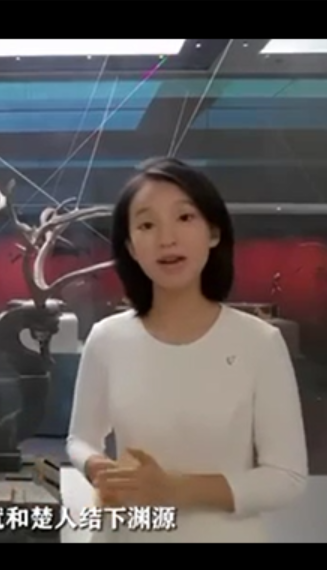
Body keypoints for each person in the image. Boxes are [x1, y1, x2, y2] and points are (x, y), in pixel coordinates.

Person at [66, 158, 308, 543]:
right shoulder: (107, 338)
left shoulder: (259, 342)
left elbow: (287, 477)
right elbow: (80, 439)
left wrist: (175, 489)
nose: (167, 238)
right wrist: (98, 469)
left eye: (184, 217)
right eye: (147, 225)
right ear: (130, 247)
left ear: (213, 231)